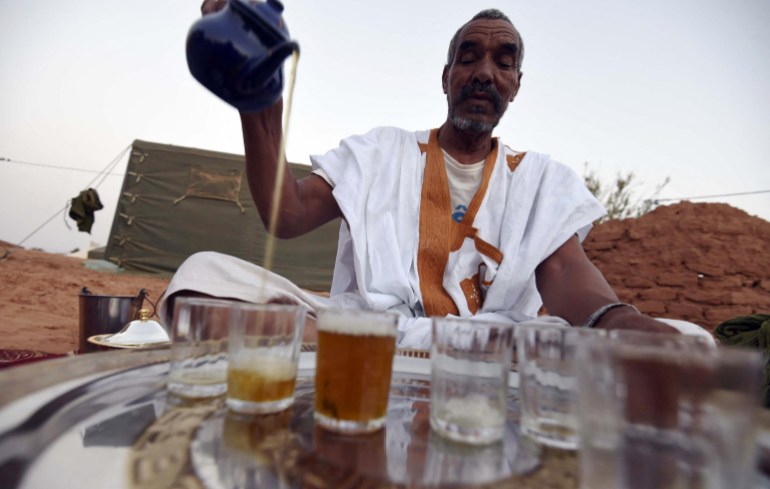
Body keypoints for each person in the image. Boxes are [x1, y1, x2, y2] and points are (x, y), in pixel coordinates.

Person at [164, 4, 703, 348]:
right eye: (469, 58)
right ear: (447, 78)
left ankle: (308, 348)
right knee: (199, 279)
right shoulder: (381, 151)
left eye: (503, 61)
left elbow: (565, 276)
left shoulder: (541, 180)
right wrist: (260, 98)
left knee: (688, 340)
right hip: (364, 335)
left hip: (493, 348)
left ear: (516, 84)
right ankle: (331, 347)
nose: (485, 72)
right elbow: (286, 213)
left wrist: (618, 324)